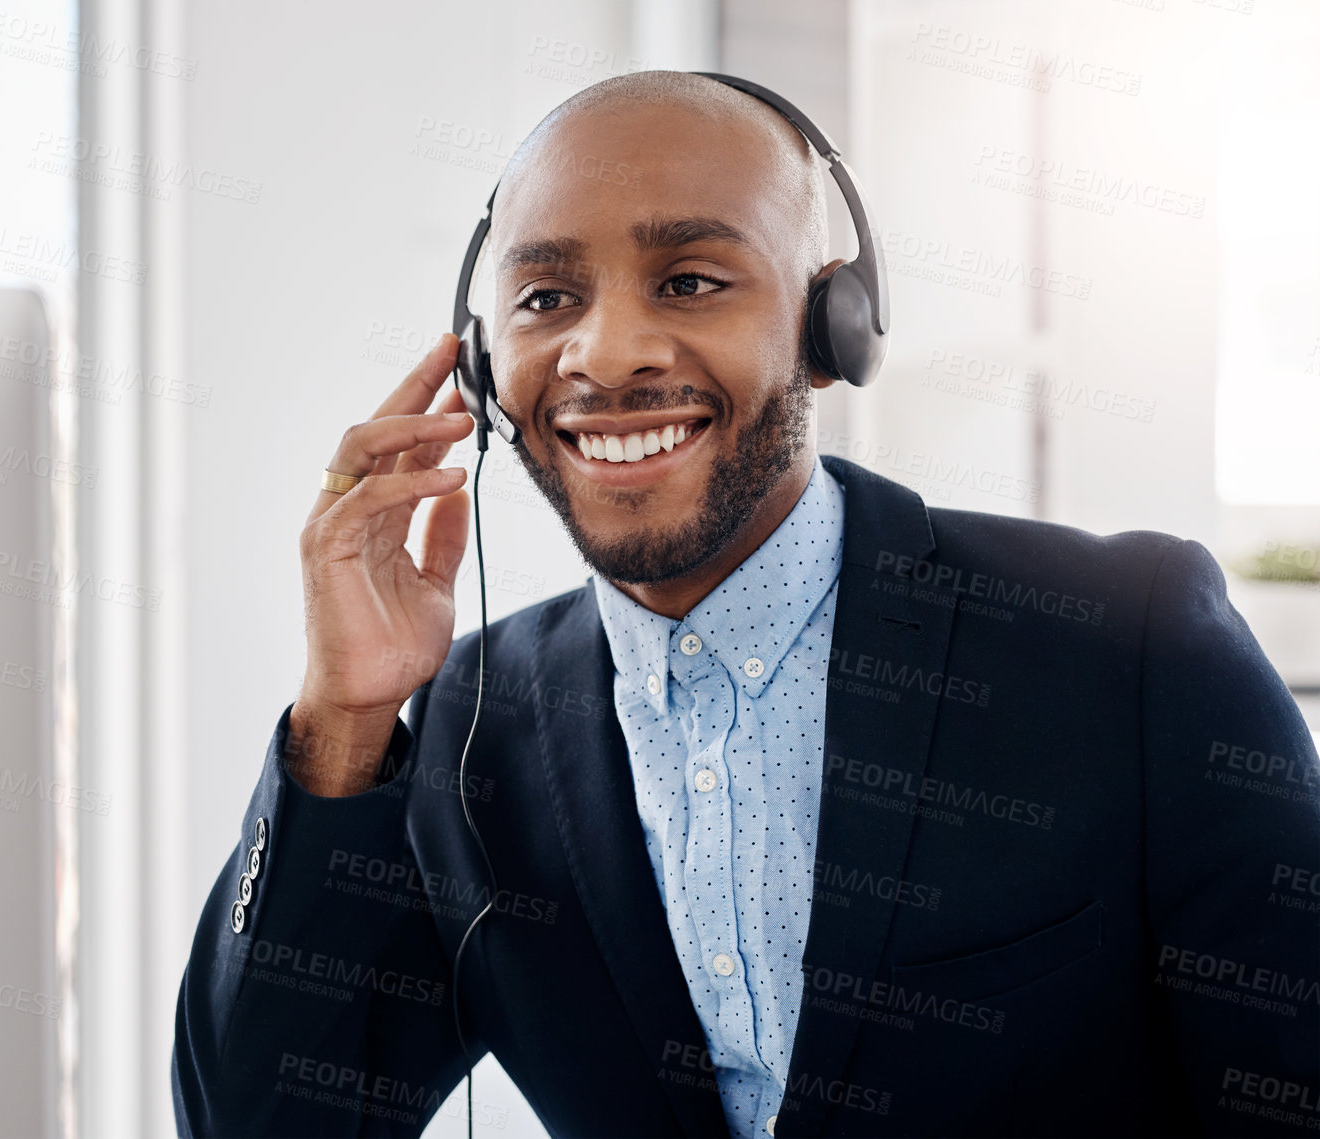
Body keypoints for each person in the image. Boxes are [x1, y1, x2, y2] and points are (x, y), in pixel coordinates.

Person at [171, 70, 1320, 1138]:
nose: (605, 351)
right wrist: (342, 718)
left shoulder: (1123, 643)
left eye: (689, 280)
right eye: (545, 294)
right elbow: (265, 1121)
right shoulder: (470, 724)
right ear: (480, 362)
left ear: (832, 328)